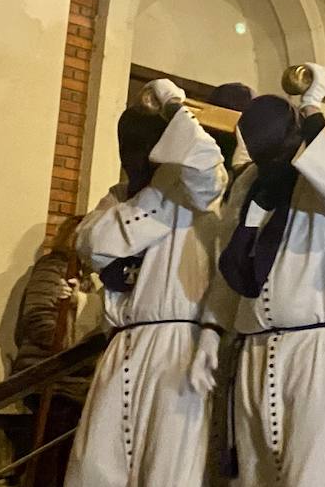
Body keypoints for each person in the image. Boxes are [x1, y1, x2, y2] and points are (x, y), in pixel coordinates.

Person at [202, 71, 325, 487]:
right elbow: (233, 258)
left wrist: (314, 107)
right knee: (255, 475)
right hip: (257, 346)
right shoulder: (252, 181)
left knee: (318, 475)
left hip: (320, 345)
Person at [65, 79, 227, 487]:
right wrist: (153, 196)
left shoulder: (196, 187)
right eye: (126, 144)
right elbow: (92, 244)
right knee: (98, 468)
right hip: (122, 344)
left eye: (142, 143)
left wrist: (175, 105)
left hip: (177, 346)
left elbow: (205, 164)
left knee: (169, 471)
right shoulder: (118, 196)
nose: (131, 154)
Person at [10, 215, 98, 487]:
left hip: (81, 383)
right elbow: (39, 319)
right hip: (56, 380)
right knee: (49, 463)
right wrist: (74, 348)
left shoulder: (93, 276)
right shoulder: (53, 268)